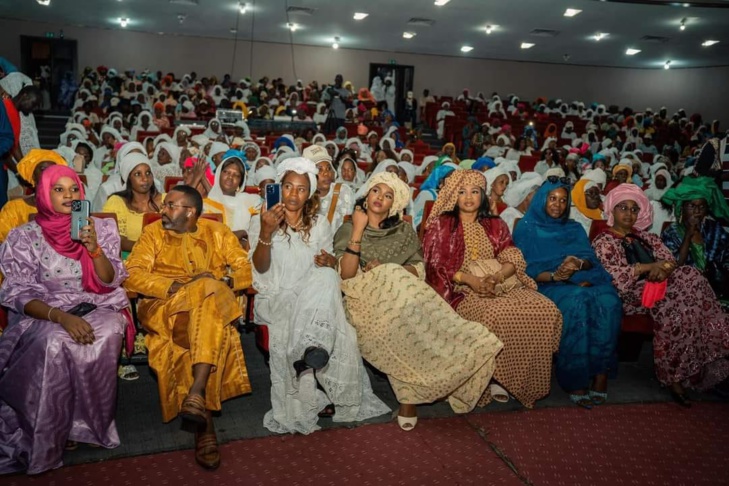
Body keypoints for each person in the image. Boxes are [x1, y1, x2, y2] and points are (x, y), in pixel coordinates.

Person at [334, 172, 502, 429]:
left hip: (404, 293)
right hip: (364, 299)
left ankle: (418, 389)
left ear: (395, 204)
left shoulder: (402, 231)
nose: (380, 197)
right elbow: (345, 275)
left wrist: (390, 269)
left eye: (388, 195)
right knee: (397, 320)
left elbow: (418, 268)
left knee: (416, 316)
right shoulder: (347, 228)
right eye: (376, 191)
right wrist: (358, 229)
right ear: (366, 195)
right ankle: (408, 396)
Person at [0, 166, 130, 474]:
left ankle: (89, 425)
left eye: (73, 189)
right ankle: (54, 427)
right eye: (58, 190)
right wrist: (60, 318)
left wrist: (94, 249)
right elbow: (17, 292)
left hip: (95, 301)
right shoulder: (24, 236)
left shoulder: (101, 229)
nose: (68, 196)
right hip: (45, 309)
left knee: (110, 330)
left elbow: (110, 281)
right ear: (44, 194)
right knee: (55, 341)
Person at [247, 157, 390, 435]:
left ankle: (310, 352)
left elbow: (327, 268)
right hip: (278, 296)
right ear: (279, 187)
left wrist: (328, 261)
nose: (293, 194)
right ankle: (309, 357)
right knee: (314, 306)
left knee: (326, 277)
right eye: (287, 186)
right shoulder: (261, 220)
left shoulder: (320, 224)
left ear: (309, 193)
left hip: (314, 299)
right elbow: (261, 269)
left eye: (301, 189)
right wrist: (266, 231)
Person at [124, 185, 253, 470]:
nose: (162, 210)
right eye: (165, 204)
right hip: (164, 306)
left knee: (201, 310)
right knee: (207, 290)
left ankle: (198, 406)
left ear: (190, 212)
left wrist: (223, 283)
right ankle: (201, 398)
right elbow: (132, 274)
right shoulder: (153, 234)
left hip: (206, 309)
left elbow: (243, 268)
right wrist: (179, 286)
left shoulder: (217, 233)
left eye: (170, 205)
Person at [423, 170, 562, 409]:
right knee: (494, 315)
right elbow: (436, 267)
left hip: (500, 284)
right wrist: (471, 281)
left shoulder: (495, 224)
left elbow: (511, 255)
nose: (468, 197)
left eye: (474, 192)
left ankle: (514, 380)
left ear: (483, 196)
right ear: (454, 196)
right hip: (460, 290)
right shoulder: (442, 224)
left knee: (546, 309)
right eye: (462, 192)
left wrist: (497, 277)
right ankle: (490, 379)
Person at [592, 184, 729, 406]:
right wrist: (647, 268)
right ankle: (681, 373)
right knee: (682, 295)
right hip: (631, 295)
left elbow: (670, 262)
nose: (629, 213)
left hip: (663, 289)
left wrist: (660, 270)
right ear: (612, 211)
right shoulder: (604, 241)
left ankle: (688, 369)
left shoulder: (648, 238)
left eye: (634, 209)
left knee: (688, 284)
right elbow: (611, 276)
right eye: (623, 208)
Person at [513, 177, 623, 409]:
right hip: (547, 284)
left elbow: (590, 260)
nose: (557, 205)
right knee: (577, 302)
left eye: (563, 200)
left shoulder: (574, 227)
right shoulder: (527, 227)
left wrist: (578, 265)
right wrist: (558, 276)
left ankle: (600, 373)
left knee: (609, 300)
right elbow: (527, 269)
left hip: (583, 278)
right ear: (542, 199)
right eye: (552, 199)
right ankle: (576, 379)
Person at [660, 176, 729, 301]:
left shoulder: (714, 229)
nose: (697, 211)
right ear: (682, 207)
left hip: (716, 290)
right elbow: (673, 265)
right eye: (692, 206)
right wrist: (688, 236)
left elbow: (727, 256)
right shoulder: (671, 233)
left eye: (702, 207)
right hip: (683, 292)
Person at [102, 152, 164, 258]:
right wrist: (147, 247)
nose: (145, 179)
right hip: (130, 258)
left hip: (164, 257)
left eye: (148, 173)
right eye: (137, 174)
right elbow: (116, 239)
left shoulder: (167, 200)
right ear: (128, 178)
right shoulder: (117, 202)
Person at [0, 149, 66, 243]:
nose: (48, 173)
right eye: (43, 169)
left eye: (52, 170)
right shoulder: (13, 208)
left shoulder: (65, 208)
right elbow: (4, 243)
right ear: (33, 176)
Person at [203, 150, 260, 246]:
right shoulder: (205, 204)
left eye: (236, 175)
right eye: (226, 172)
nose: (230, 177)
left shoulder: (252, 201)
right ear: (218, 175)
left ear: (240, 182)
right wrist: (240, 233)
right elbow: (209, 239)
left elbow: (259, 232)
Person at [0, 85, 41, 207]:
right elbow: (5, 147)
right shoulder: (6, 108)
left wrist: (25, 165)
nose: (33, 108)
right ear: (25, 95)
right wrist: (19, 173)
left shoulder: (14, 111)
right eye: (33, 104)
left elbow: (14, 144)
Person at [304, 145, 354, 233]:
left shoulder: (344, 191)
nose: (326, 173)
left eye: (328, 168)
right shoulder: (302, 195)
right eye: (319, 169)